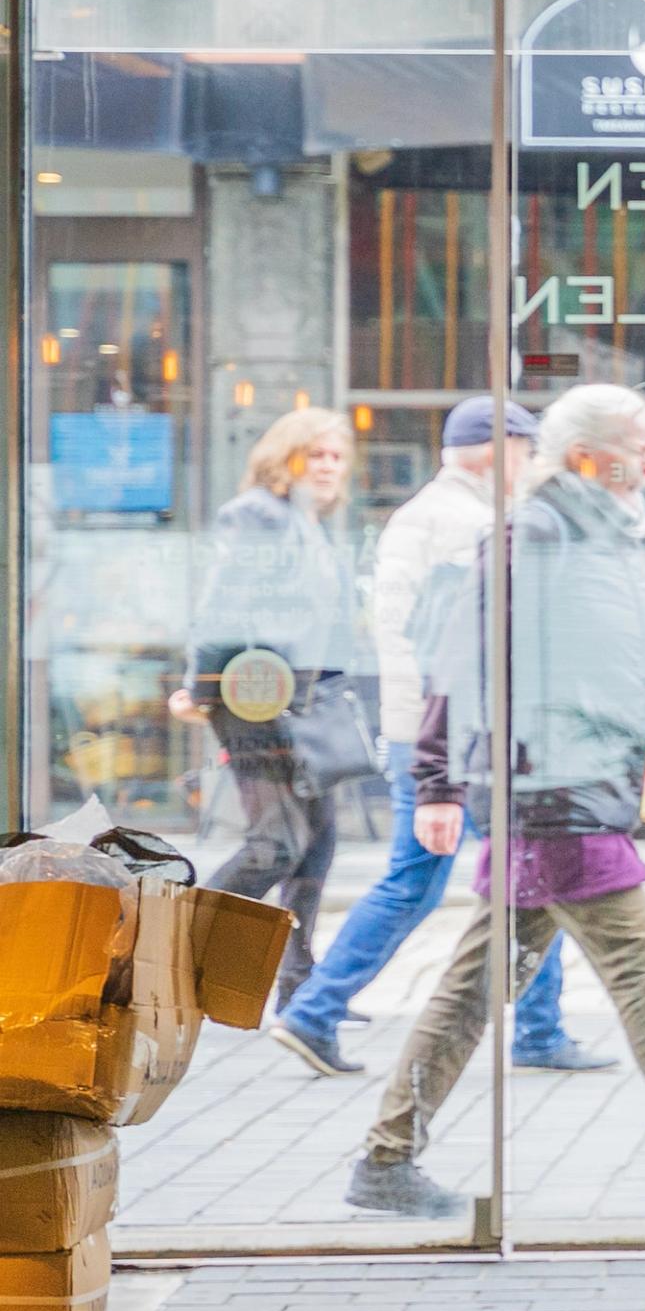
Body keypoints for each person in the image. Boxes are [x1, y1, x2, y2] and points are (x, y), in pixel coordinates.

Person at [347, 385, 645, 1220]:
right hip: (553, 795)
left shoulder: (603, 542)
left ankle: (386, 1160)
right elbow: (463, 660)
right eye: (639, 447)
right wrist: (437, 780)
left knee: (472, 990)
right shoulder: (532, 537)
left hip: (576, 789)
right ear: (585, 458)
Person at [267, 398, 600, 1079]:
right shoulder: (468, 523)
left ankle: (321, 1010)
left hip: (430, 736)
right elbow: (461, 649)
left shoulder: (433, 515)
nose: (532, 462)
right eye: (525, 448)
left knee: (475, 875)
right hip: (456, 741)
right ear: (493, 448)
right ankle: (318, 1010)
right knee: (520, 867)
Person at [178, 406, 375, 1007]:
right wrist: (202, 686)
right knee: (277, 844)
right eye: (315, 454)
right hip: (253, 701)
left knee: (317, 840)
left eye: (337, 457)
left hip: (300, 703)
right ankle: (176, 953)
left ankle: (297, 985)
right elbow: (222, 606)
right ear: (283, 457)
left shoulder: (310, 523)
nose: (328, 466)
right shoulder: (257, 515)